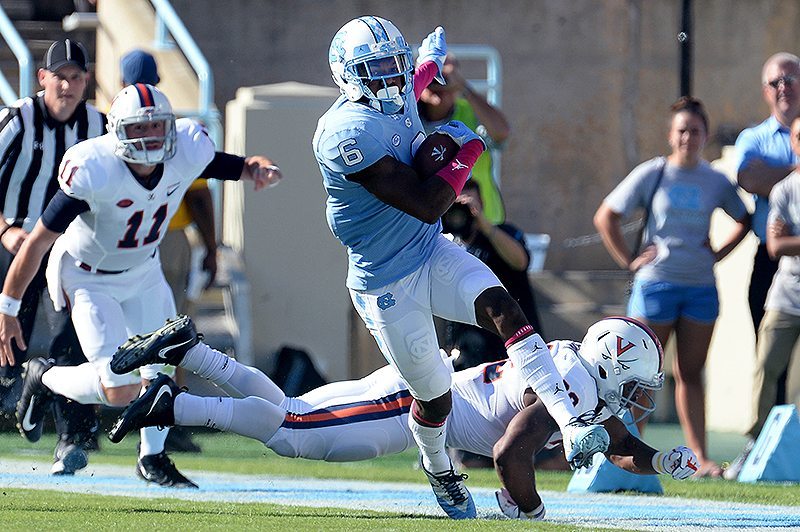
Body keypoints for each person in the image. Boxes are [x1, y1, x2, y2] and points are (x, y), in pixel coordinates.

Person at [312, 15, 608, 519]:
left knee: (502, 306)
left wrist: (425, 63)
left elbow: (412, 85)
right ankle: (437, 466)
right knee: (434, 396)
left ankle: (571, 420)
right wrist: (467, 149)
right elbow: (427, 201)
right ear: (347, 75)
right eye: (375, 69)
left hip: (429, 250)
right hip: (385, 278)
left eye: (394, 66)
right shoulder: (345, 133)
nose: (388, 79)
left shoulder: (396, 85)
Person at [107, 314, 698, 521]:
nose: (640, 395)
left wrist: (657, 461)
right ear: (615, 366)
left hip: (423, 393)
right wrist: (532, 514)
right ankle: (178, 401)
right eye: (637, 382)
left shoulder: (577, 380)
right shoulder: (565, 388)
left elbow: (618, 442)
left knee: (291, 414)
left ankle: (191, 353)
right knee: (292, 436)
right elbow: (509, 456)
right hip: (413, 405)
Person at [0, 83, 282, 488]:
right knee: (119, 390)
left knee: (163, 371)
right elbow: (38, 240)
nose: (151, 140)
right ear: (116, 133)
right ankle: (42, 377)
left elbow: (218, 164)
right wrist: (8, 307)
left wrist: (251, 167)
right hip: (88, 277)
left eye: (157, 129)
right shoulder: (93, 170)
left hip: (144, 272)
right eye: (139, 130)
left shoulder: (186, 149)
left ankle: (152, 457)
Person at [594, 96, 751, 478]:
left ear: (705, 135)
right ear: (670, 135)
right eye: (681, 131)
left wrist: (717, 253)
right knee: (638, 375)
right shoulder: (653, 173)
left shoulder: (715, 180)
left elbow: (745, 219)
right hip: (655, 285)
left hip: (699, 286)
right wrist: (630, 262)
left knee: (691, 373)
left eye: (695, 131)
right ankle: (627, 456)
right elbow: (606, 216)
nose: (688, 138)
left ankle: (700, 457)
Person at [0, 39, 102, 476]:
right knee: (8, 338)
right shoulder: (18, 119)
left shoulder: (99, 125)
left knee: (71, 338)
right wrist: (5, 230)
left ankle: (70, 439)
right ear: (43, 78)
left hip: (68, 248)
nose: (68, 85)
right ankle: (19, 395)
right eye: (60, 76)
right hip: (17, 242)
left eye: (76, 76)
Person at [120, 48, 215, 453]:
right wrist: (211, 247)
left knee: (139, 331)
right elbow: (199, 196)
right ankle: (166, 412)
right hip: (164, 239)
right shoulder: (165, 125)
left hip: (119, 246)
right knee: (169, 330)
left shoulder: (110, 122)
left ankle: (152, 410)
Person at [726, 52, 800, 480]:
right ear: (765, 90)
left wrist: (779, 173)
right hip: (772, 266)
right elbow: (750, 179)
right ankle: (761, 448)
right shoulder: (754, 137)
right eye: (775, 81)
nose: (784, 86)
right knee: (768, 357)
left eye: (791, 78)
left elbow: (764, 177)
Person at [418, 54, 510, 224]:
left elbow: (501, 132)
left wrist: (464, 87)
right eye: (433, 72)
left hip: (482, 226)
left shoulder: (472, 112)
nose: (439, 80)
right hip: (427, 228)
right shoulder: (405, 118)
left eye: (445, 71)